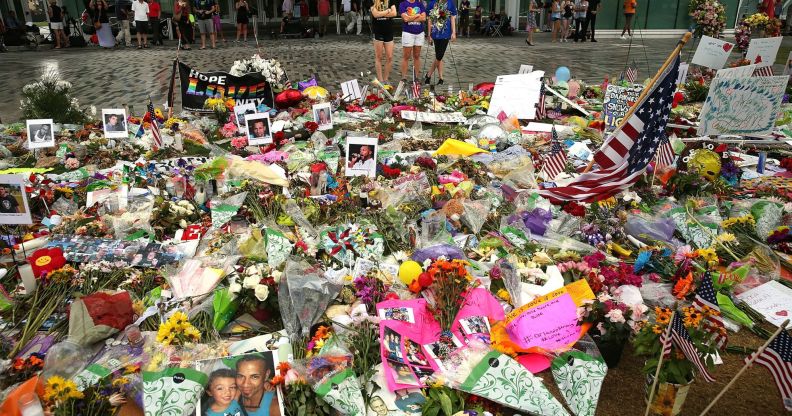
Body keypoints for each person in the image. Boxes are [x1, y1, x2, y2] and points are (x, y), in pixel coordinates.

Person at [425, 0, 456, 85]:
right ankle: (441, 78)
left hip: (446, 33)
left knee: (439, 55)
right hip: (435, 33)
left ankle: (429, 74)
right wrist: (429, 34)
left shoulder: (450, 3)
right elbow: (430, 20)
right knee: (439, 56)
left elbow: (453, 17)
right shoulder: (432, 3)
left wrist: (454, 32)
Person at [371, 0, 396, 84]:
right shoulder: (373, 2)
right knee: (379, 57)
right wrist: (388, 11)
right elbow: (375, 14)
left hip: (389, 32)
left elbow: (394, 13)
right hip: (378, 32)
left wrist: (381, 13)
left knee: (389, 57)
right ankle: (380, 80)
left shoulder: (390, 1)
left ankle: (385, 79)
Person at [399, 0, 425, 82]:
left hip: (419, 33)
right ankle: (404, 77)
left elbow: (423, 18)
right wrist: (417, 16)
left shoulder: (420, 4)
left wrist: (410, 18)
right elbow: (405, 19)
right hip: (408, 33)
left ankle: (416, 77)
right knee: (406, 56)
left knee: (417, 55)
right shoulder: (403, 4)